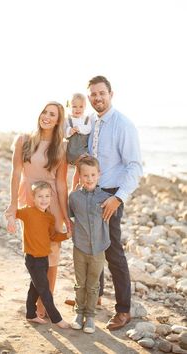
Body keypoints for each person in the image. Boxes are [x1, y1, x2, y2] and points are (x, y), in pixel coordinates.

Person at [87, 75, 143, 330]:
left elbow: (134, 167)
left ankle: (123, 310)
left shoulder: (123, 125)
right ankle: (95, 296)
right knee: (93, 247)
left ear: (111, 94)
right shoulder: (93, 122)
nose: (97, 98)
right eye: (93, 94)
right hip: (93, 191)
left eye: (102, 93)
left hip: (112, 195)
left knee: (113, 252)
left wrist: (118, 198)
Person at [5, 101, 70, 318]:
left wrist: (66, 214)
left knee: (51, 255)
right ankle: (34, 304)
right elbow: (15, 173)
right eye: (45, 112)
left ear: (58, 121)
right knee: (35, 253)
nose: (47, 117)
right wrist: (14, 204)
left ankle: (44, 307)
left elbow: (61, 184)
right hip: (31, 200)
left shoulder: (61, 147)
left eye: (53, 114)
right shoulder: (23, 140)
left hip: (51, 202)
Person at [6, 181, 71, 328]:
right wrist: (10, 220)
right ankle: (56, 318)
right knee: (44, 289)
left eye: (47, 196)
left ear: (51, 198)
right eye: (40, 196)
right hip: (32, 259)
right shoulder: (27, 212)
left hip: (44, 259)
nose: (44, 200)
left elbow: (53, 236)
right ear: (33, 198)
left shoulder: (49, 218)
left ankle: (30, 314)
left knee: (34, 288)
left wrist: (67, 235)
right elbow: (11, 212)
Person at [69, 156, 111, 334]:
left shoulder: (106, 198)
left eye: (93, 174)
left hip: (98, 248)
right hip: (80, 246)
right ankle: (79, 313)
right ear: (79, 176)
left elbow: (111, 216)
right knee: (80, 283)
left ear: (98, 175)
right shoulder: (74, 197)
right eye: (85, 175)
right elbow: (70, 217)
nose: (89, 178)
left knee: (93, 285)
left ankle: (91, 316)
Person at [65, 93, 91, 191]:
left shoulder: (86, 119)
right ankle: (66, 186)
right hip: (70, 151)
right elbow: (63, 132)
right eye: (74, 106)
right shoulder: (67, 120)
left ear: (85, 107)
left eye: (81, 106)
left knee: (79, 170)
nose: (77, 109)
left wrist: (79, 128)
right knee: (64, 170)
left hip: (81, 151)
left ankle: (75, 188)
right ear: (69, 106)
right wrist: (69, 131)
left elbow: (88, 129)